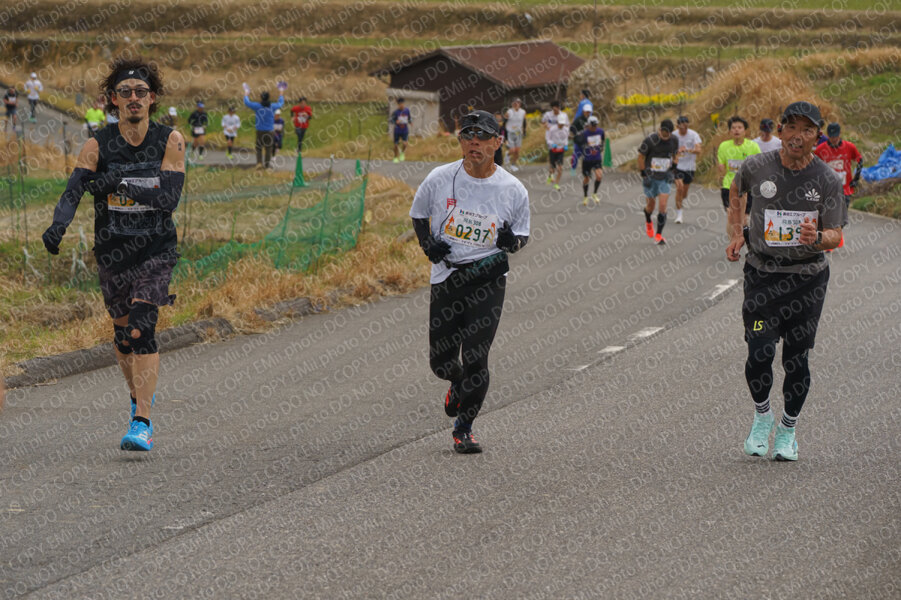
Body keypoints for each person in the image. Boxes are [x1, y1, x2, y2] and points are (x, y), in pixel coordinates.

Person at [41, 57, 186, 452]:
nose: (133, 97)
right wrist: (58, 225)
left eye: (141, 91)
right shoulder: (97, 144)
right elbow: (74, 189)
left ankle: (143, 423)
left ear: (152, 98)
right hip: (113, 251)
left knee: (141, 328)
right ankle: (138, 397)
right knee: (124, 337)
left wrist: (121, 181)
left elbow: (168, 199)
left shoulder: (170, 140)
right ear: (113, 99)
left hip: (156, 249)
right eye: (125, 92)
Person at [726, 101, 842, 461]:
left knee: (796, 359)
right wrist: (736, 232)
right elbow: (735, 190)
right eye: (791, 127)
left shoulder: (827, 179)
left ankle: (788, 430)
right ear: (780, 131)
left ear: (817, 136)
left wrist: (817, 237)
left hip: (807, 279)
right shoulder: (757, 166)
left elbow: (835, 234)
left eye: (807, 130)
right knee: (759, 352)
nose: (798, 136)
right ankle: (763, 417)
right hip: (762, 275)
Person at [409, 110, 529, 454]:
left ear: (497, 142)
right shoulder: (439, 178)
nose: (473, 142)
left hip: (488, 278)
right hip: (448, 276)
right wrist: (427, 244)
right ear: (460, 141)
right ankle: (456, 381)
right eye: (467, 135)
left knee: (476, 356)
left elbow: (522, 236)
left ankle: (464, 428)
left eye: (482, 136)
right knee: (441, 363)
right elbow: (418, 214)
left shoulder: (513, 189)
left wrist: (511, 243)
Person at [814, 122, 862, 236]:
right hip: (826, 189)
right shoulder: (821, 149)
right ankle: (827, 237)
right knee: (826, 217)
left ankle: (834, 236)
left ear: (840, 134)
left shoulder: (849, 147)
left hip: (845, 189)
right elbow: (814, 166)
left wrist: (856, 179)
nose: (834, 139)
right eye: (831, 137)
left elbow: (860, 160)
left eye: (835, 136)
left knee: (842, 219)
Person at [637, 118, 679, 245]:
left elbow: (675, 155)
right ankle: (648, 220)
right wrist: (643, 173)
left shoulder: (674, 140)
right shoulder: (650, 140)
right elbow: (641, 156)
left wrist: (674, 167)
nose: (664, 136)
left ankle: (659, 235)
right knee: (651, 206)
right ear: (659, 129)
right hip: (651, 177)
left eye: (666, 134)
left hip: (665, 177)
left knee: (662, 205)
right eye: (662, 133)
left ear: (670, 133)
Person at [717, 115, 760, 212]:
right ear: (729, 131)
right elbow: (721, 166)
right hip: (728, 185)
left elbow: (759, 165)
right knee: (731, 214)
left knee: (744, 216)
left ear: (745, 131)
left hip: (747, 187)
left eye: (740, 127)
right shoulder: (724, 146)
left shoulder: (753, 146)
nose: (736, 130)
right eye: (733, 128)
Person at [244, 85, 285, 169]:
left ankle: (259, 163)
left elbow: (247, 103)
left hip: (260, 131)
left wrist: (246, 94)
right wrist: (281, 93)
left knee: (259, 148)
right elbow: (280, 103)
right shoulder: (272, 106)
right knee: (268, 148)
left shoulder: (257, 106)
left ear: (261, 98)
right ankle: (267, 165)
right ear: (268, 97)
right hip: (270, 131)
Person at [672, 115, 702, 224]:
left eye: (686, 127)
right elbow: (669, 149)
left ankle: (681, 200)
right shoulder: (673, 135)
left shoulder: (693, 135)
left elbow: (698, 150)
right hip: (677, 166)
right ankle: (679, 214)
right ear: (677, 126)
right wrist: (677, 152)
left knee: (684, 192)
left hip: (689, 166)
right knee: (679, 188)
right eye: (681, 127)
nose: (683, 129)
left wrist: (688, 150)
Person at [574, 115, 605, 206]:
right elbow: (576, 141)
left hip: (596, 158)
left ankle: (594, 193)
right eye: (593, 126)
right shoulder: (584, 134)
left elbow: (603, 140)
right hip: (587, 160)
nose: (595, 127)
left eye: (596, 125)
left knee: (599, 176)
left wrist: (601, 147)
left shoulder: (600, 131)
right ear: (589, 125)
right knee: (587, 178)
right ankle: (585, 196)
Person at [545, 112, 568, 190]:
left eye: (563, 124)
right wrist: (552, 144)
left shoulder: (566, 129)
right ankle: (550, 175)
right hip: (553, 149)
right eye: (560, 123)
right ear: (557, 122)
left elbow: (566, 139)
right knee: (552, 168)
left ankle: (556, 184)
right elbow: (548, 139)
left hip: (561, 150)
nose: (561, 125)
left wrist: (566, 145)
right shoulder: (552, 129)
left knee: (560, 168)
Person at [504, 98, 526, 171]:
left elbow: (524, 122)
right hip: (510, 132)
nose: (516, 104)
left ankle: (513, 165)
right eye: (515, 103)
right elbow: (504, 122)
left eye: (518, 103)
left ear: (520, 104)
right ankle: (507, 154)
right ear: (512, 104)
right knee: (512, 150)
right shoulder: (509, 112)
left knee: (517, 151)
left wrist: (524, 131)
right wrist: (504, 134)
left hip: (518, 133)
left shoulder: (523, 112)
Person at [569, 103, 592, 172]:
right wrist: (576, 133)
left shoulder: (591, 119)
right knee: (576, 155)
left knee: (587, 155)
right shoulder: (579, 119)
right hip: (578, 141)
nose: (588, 113)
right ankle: (573, 168)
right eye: (587, 112)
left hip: (587, 141)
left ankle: (587, 170)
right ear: (583, 111)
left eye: (589, 112)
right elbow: (572, 127)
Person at [391, 97, 411, 163]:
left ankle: (402, 153)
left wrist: (410, 122)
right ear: (398, 105)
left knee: (405, 144)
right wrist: (395, 122)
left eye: (402, 104)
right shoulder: (396, 112)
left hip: (404, 130)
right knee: (396, 145)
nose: (401, 105)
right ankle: (395, 157)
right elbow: (391, 120)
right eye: (400, 104)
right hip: (397, 130)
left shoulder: (407, 111)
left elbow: (409, 118)